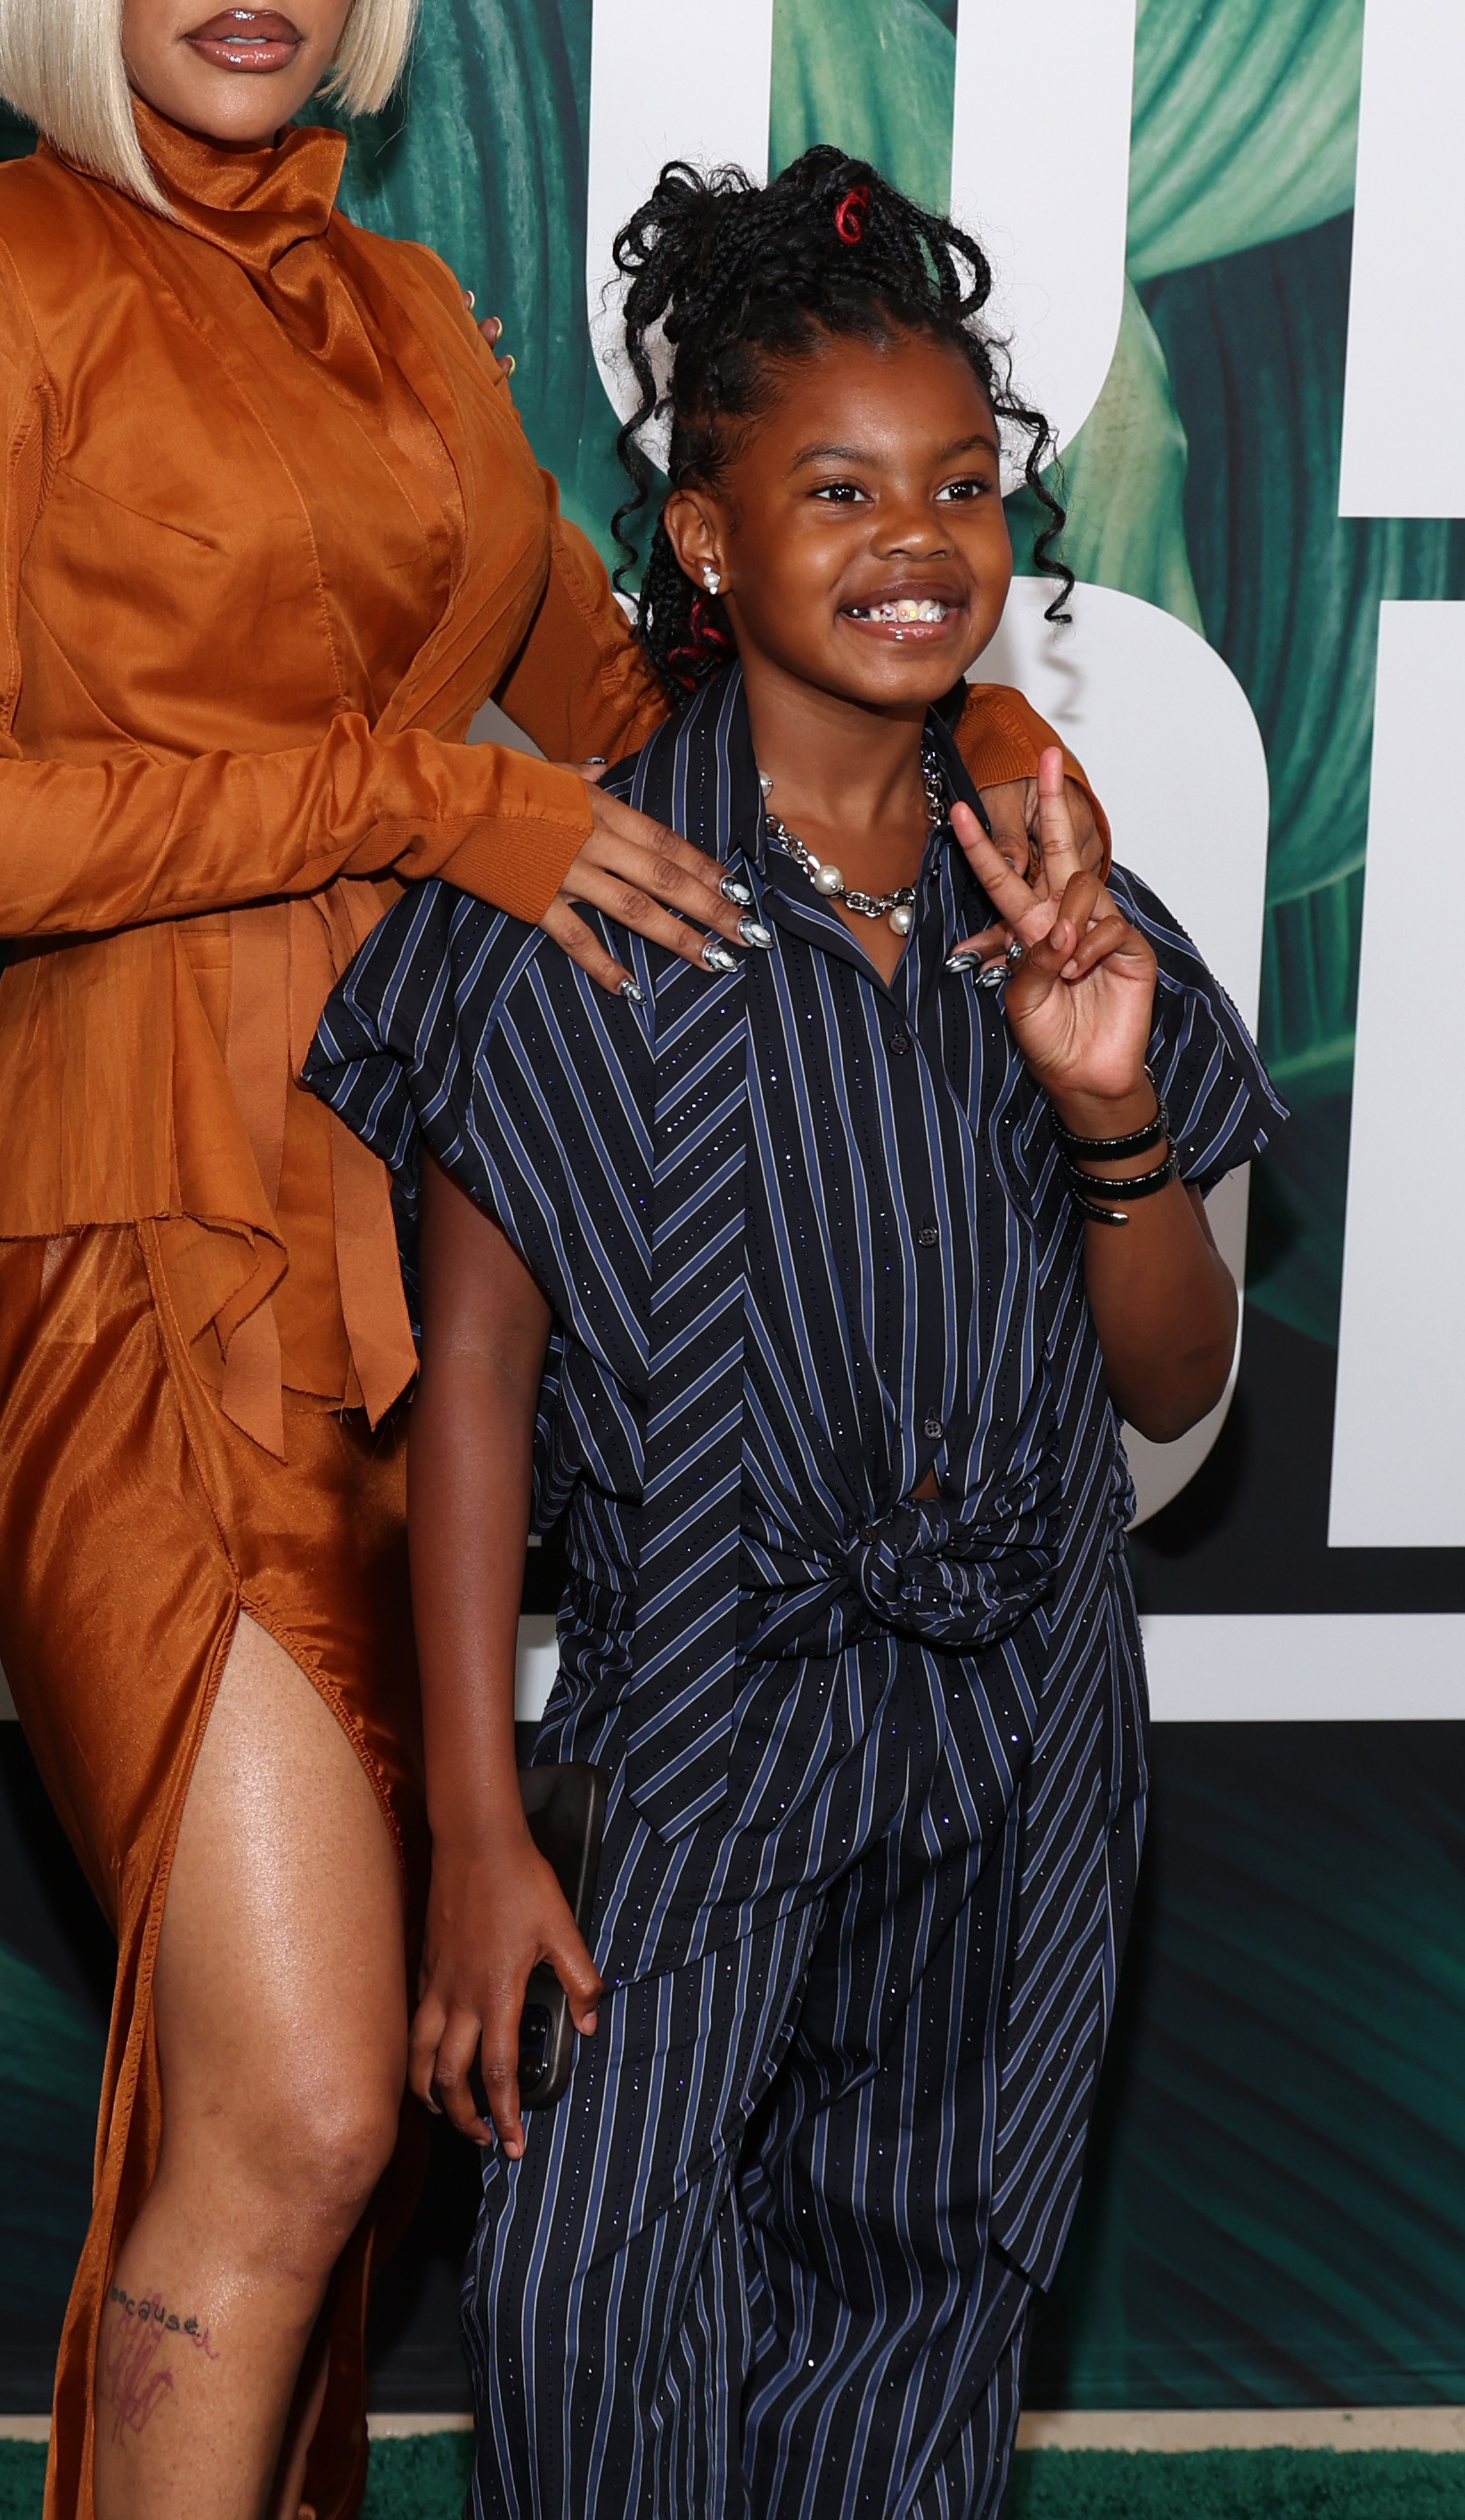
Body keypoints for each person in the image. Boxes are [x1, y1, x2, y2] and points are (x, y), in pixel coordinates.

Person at [0, 0, 1093, 2520]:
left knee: (346, 2113)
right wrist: (421, 791)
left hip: (436, 1288)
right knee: (288, 2107)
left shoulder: (403, 321)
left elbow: (650, 656)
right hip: (141, 1249)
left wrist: (985, 724)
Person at [306, 148, 1284, 2520]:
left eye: (962, 484)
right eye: (836, 488)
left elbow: (1178, 1386)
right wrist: (466, 1823)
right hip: (696, 1741)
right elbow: (476, 1399)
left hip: (1030, 1744)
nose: (914, 539)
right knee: (594, 2301)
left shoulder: (1070, 911)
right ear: (709, 539)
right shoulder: (570, 905)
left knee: (926, 2315)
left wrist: (1110, 1102)